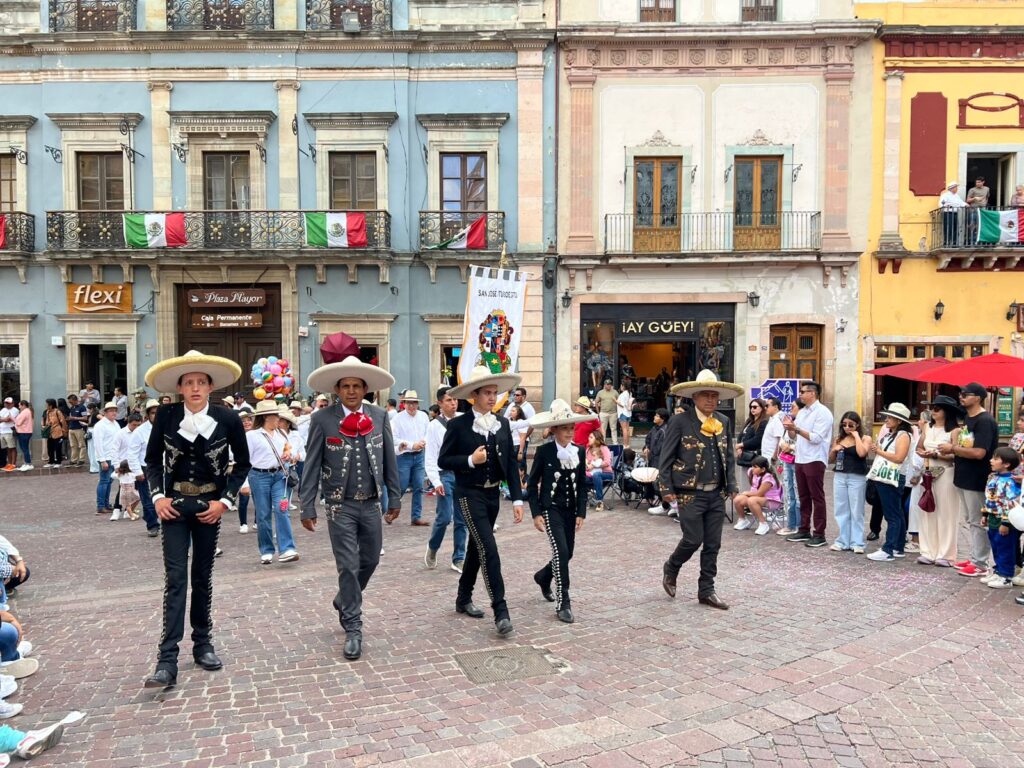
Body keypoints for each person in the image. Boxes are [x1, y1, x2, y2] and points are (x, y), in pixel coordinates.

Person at [141, 350, 250, 690]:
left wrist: (225, 502)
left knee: (202, 576)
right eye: (189, 383)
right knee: (176, 579)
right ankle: (166, 659)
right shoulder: (168, 416)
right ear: (179, 388)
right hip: (174, 506)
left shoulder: (227, 419)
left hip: (209, 509)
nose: (195, 388)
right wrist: (158, 498)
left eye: (201, 382)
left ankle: (202, 643)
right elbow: (152, 460)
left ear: (210, 386)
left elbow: (243, 463)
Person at [300, 356, 401, 661]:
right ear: (337, 390)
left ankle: (344, 598)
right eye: (346, 386)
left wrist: (394, 497)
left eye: (357, 386)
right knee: (348, 564)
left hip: (370, 503)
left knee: (369, 560)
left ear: (366, 389)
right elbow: (312, 463)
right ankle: (353, 627)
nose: (352, 391)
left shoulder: (380, 416)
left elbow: (389, 460)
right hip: (338, 506)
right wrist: (307, 505)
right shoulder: (322, 419)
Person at [438, 365, 525, 638]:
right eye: (487, 392)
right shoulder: (458, 425)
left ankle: (463, 598)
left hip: (492, 495)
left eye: (494, 393)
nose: (492, 397)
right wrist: (469, 460)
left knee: (477, 549)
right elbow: (443, 460)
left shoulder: (503, 423)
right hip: (468, 494)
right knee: (489, 549)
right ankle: (501, 611)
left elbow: (510, 462)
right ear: (474, 395)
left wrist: (518, 499)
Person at [658, 369, 743, 610]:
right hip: (688, 493)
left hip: (716, 493)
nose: (711, 400)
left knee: (713, 544)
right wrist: (665, 488)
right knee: (693, 539)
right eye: (705, 395)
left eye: (714, 396)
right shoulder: (679, 421)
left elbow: (728, 456)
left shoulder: (723, 422)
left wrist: (733, 485)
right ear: (694, 397)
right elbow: (666, 458)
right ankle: (672, 566)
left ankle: (706, 589)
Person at [526, 400, 590, 623]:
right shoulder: (544, 452)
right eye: (565, 428)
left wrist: (581, 511)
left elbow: (582, 484)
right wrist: (535, 513)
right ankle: (564, 602)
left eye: (572, 428)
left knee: (568, 552)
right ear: (554, 429)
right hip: (550, 509)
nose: (569, 432)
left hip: (570, 511)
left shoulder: (579, 452)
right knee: (561, 552)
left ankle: (543, 577)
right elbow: (532, 484)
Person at [940, 382, 999, 578]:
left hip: (977, 478)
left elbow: (979, 452)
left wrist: (953, 449)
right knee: (970, 520)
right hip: (963, 476)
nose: (961, 397)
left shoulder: (985, 421)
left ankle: (980, 562)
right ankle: (974, 556)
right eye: (961, 393)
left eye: (966, 394)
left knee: (978, 520)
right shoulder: (968, 418)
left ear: (978, 398)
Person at [246, 400, 298, 565]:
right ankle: (267, 550)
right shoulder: (252, 436)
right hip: (258, 476)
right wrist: (244, 483)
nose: (279, 419)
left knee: (282, 509)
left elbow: (291, 451)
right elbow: (244, 461)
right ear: (267, 417)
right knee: (263, 514)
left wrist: (290, 455)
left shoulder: (282, 434)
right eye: (276, 416)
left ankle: (287, 548)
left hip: (279, 476)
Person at [784, 381, 834, 548]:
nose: (801, 395)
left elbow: (816, 438)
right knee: (803, 496)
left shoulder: (823, 412)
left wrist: (796, 429)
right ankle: (804, 529)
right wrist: (790, 428)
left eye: (803, 392)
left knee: (816, 496)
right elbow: (794, 436)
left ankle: (819, 533)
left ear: (813, 393)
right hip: (801, 458)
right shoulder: (803, 412)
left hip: (815, 458)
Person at [424, 386, 467, 573]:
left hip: (462, 474)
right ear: (440, 403)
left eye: (455, 400)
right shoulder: (434, 426)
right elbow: (431, 457)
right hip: (444, 474)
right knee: (444, 518)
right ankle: (433, 548)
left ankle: (459, 558)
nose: (453, 403)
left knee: (462, 519)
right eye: (449, 400)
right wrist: (436, 481)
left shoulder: (464, 420)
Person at [915, 395, 961, 567]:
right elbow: (920, 446)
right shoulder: (927, 427)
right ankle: (928, 551)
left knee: (946, 513)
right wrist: (922, 453)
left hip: (946, 472)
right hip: (928, 472)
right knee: (927, 510)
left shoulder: (955, 431)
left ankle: (946, 553)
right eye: (932, 408)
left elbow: (957, 453)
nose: (933, 411)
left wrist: (937, 454)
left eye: (937, 408)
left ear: (946, 412)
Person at [866, 404, 915, 562]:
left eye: (889, 417)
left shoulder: (903, 436)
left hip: (893, 477)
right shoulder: (891, 434)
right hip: (888, 476)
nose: (886, 419)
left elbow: (899, 457)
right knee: (897, 512)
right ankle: (898, 547)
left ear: (899, 420)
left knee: (891, 515)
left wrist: (878, 451)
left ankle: (889, 549)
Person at [829, 411, 872, 553]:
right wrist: (834, 450)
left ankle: (857, 542)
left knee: (856, 509)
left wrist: (856, 436)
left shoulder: (865, 438)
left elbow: (862, 453)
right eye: (844, 424)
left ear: (857, 424)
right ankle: (842, 540)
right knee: (841, 508)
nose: (847, 427)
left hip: (857, 476)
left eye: (851, 425)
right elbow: (830, 460)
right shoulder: (839, 438)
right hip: (840, 475)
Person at [981, 447, 1021, 589]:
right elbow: (989, 497)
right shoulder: (993, 478)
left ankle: (1006, 576)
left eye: (996, 459)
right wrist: (985, 514)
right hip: (993, 515)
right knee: (996, 545)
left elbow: (1010, 502)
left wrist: (1006, 522)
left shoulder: (1010, 482)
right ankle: (998, 571)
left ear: (1006, 464)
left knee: (1005, 547)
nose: (991, 461)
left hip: (1004, 519)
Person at [391, 390, 430, 526]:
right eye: (409, 403)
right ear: (404, 404)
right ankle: (392, 509)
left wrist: (423, 442)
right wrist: (412, 445)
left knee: (419, 486)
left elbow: (428, 432)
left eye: (414, 403)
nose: (412, 406)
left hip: (419, 455)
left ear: (417, 404)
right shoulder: (397, 419)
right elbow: (394, 438)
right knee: (401, 486)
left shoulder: (423, 417)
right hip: (404, 456)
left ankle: (416, 517)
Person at [127, 399, 161, 537]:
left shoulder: (167, 428)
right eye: (153, 413)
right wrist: (137, 472)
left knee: (164, 497)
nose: (156, 415)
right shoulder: (140, 432)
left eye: (158, 412)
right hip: (146, 468)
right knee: (148, 499)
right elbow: (132, 453)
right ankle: (152, 525)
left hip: (163, 467)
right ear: (147, 415)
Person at [733, 398, 767, 527]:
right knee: (744, 481)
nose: (752, 409)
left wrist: (742, 445)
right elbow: (741, 436)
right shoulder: (749, 421)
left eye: (755, 407)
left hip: (754, 458)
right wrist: (740, 446)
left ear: (762, 408)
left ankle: (750, 505)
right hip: (744, 457)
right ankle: (745, 505)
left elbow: (757, 440)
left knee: (753, 482)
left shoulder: (763, 423)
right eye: (751, 407)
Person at [732, 456, 781, 535]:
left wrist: (746, 493)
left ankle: (763, 523)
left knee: (751, 500)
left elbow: (759, 494)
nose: (752, 468)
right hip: (757, 498)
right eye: (752, 466)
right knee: (737, 499)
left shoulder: (768, 478)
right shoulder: (752, 473)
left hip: (771, 500)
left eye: (755, 467)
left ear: (763, 469)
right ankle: (743, 520)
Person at [776, 400, 803, 535]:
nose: (790, 408)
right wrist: (783, 446)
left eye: (793, 406)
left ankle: (799, 524)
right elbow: (782, 439)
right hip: (787, 460)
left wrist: (791, 447)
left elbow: (806, 443)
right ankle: (791, 524)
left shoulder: (802, 424)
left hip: (798, 461)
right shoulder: (788, 423)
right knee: (788, 492)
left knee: (798, 493)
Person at [91, 403, 120, 515]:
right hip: (105, 457)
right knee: (104, 481)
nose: (114, 413)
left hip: (114, 457)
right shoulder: (100, 425)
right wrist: (102, 460)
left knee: (109, 481)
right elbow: (98, 444)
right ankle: (101, 505)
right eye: (111, 410)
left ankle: (106, 504)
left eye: (115, 410)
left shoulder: (115, 423)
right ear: (105, 412)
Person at [645, 409, 674, 516]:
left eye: (657, 416)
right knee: (653, 480)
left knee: (661, 482)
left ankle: (667, 504)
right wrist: (646, 448)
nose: (654, 417)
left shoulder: (664, 430)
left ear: (662, 419)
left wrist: (652, 451)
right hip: (653, 458)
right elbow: (648, 440)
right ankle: (657, 500)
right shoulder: (654, 428)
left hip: (660, 460)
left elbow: (660, 448)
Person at [939, 181, 967, 247]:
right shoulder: (945, 195)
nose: (957, 189)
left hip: (955, 213)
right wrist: (946, 205)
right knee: (948, 228)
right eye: (956, 187)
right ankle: (947, 243)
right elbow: (941, 204)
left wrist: (966, 205)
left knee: (955, 228)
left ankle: (954, 243)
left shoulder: (957, 196)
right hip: (948, 213)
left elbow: (961, 203)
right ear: (952, 188)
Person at [40, 400, 66, 469]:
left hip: (58, 431)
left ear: (51, 405)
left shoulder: (57, 412)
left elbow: (63, 422)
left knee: (58, 447)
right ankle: (51, 461)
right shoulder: (47, 412)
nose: (45, 406)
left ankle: (58, 462)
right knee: (50, 447)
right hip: (50, 432)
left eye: (47, 404)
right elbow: (46, 421)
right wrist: (44, 426)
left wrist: (64, 431)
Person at [593, 380, 619, 445]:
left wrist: (618, 412)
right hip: (603, 413)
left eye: (610, 384)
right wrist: (598, 413)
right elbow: (596, 402)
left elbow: (619, 401)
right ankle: (602, 443)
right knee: (603, 429)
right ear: (604, 385)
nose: (608, 385)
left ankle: (615, 443)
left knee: (613, 428)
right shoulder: (600, 392)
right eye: (607, 384)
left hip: (613, 413)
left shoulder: (615, 392)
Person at [66, 394, 88, 466]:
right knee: (73, 445)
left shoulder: (82, 407)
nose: (70, 403)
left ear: (75, 400)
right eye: (69, 402)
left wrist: (75, 418)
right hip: (71, 428)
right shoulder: (72, 407)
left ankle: (82, 459)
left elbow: (85, 418)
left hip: (79, 428)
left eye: (71, 402)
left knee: (81, 445)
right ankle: (74, 460)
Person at [13, 403, 32, 472]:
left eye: (19, 405)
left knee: (24, 448)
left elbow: (18, 423)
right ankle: (26, 463)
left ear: (23, 405)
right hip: (25, 432)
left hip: (24, 432)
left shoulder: (25, 412)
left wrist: (12, 418)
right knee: (24, 448)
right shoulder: (27, 411)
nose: (19, 407)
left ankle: (28, 464)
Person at [616, 380, 635, 447]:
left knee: (624, 429)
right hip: (628, 413)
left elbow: (622, 405)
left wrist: (615, 401)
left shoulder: (622, 394)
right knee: (627, 429)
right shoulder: (629, 393)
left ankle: (625, 444)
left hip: (622, 413)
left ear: (623, 386)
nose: (620, 387)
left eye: (621, 385)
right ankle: (628, 444)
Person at [0, 399, 16, 472]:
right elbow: (5, 419)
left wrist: (3, 419)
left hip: (9, 431)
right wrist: (4, 419)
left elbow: (9, 419)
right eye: (6, 403)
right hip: (2, 432)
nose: (7, 404)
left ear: (12, 403)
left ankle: (13, 464)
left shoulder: (15, 410)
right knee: (6, 449)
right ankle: (9, 464)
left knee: (12, 448)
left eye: (8, 403)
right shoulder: (3, 410)